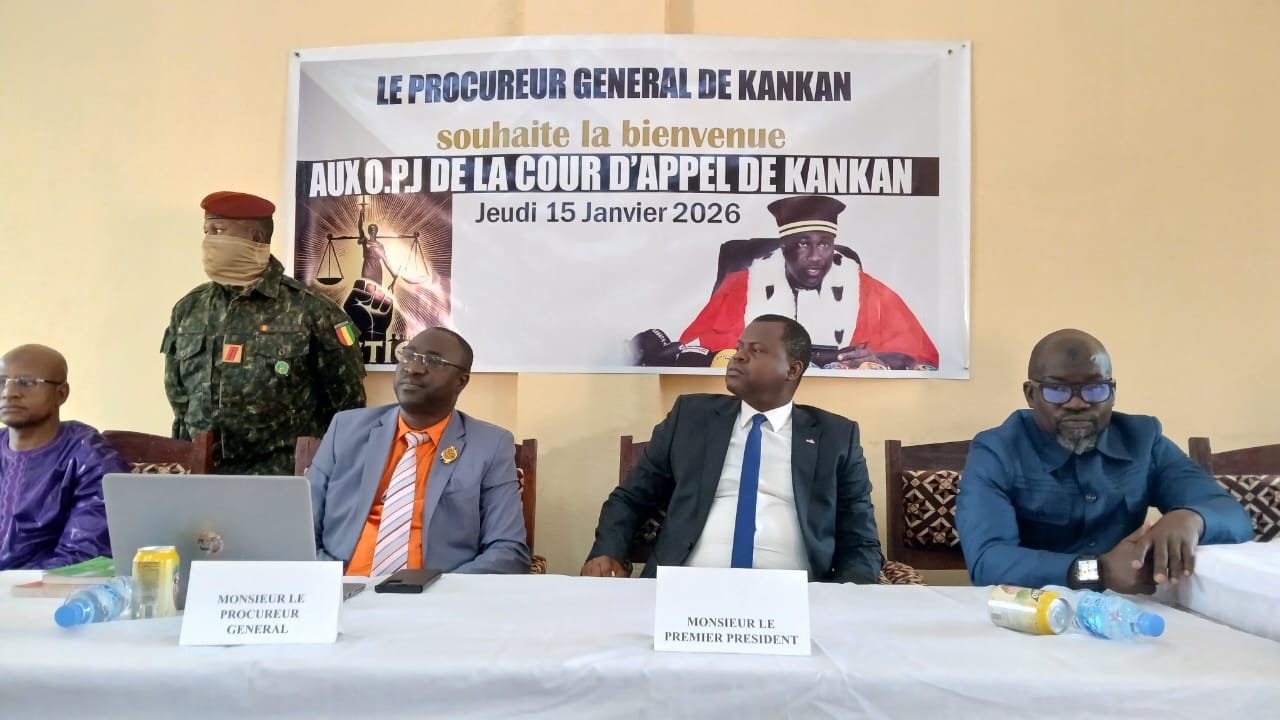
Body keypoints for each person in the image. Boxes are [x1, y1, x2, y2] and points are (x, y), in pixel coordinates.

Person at [584, 314, 883, 583]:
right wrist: (607, 552)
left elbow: (860, 539)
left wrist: (848, 600)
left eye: (756, 350)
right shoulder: (690, 417)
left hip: (794, 600)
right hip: (686, 589)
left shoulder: (836, 437)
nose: (738, 356)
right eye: (739, 348)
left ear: (792, 369)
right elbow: (631, 498)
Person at [956, 329, 1252, 593]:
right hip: (1032, 611)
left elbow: (1233, 516)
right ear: (1031, 395)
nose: (1077, 403)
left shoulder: (1143, 440)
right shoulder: (997, 450)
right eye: (1057, 390)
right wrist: (1098, 571)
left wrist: (1191, 518)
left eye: (1094, 388)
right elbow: (987, 560)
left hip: (1127, 611)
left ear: (1112, 393)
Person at [162, 190, 367, 475]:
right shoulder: (190, 308)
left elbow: (346, 407)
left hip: (281, 478)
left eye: (218, 231)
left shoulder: (311, 310)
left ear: (256, 237)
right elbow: (179, 399)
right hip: (200, 478)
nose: (208, 242)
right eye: (206, 232)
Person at [308, 327, 530, 575]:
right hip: (339, 586)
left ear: (461, 381)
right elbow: (299, 526)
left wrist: (441, 591)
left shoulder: (489, 445)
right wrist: (325, 580)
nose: (413, 368)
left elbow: (509, 551)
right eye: (408, 355)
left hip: (435, 592)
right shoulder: (346, 428)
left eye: (434, 361)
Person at [679, 195, 939, 370]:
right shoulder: (741, 288)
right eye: (803, 243)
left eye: (824, 244)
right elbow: (695, 352)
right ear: (784, 246)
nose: (815, 256)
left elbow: (922, 360)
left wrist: (877, 360)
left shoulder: (869, 293)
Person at [0, 344, 127, 570]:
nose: (9, 393)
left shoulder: (88, 455)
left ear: (61, 393)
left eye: (27, 382)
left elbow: (83, 557)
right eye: (2, 382)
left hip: (47, 589)